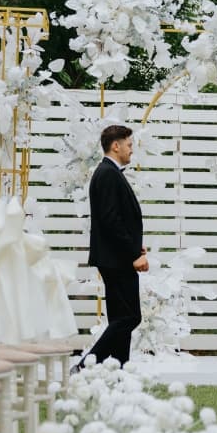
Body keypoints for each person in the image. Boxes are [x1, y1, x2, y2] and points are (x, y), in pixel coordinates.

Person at [73, 124, 149, 371]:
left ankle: (118, 370)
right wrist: (133, 254)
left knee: (120, 318)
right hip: (117, 260)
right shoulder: (107, 173)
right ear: (115, 146)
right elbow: (111, 220)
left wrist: (137, 247)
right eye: (129, 145)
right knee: (130, 317)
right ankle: (86, 365)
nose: (131, 150)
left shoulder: (110, 172)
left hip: (118, 257)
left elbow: (119, 220)